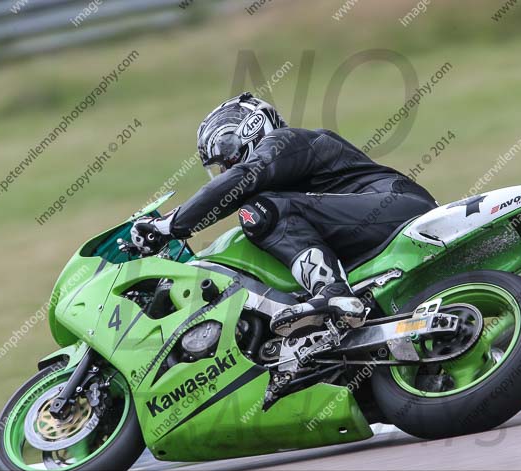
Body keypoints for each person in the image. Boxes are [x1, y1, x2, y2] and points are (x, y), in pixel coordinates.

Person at [130, 92, 437, 336]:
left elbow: (244, 178)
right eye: (219, 168)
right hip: (377, 222)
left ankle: (332, 292)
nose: (224, 171)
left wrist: (170, 224)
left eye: (226, 159)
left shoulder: (288, 142)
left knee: (259, 211)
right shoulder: (289, 186)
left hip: (395, 205)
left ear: (249, 130)